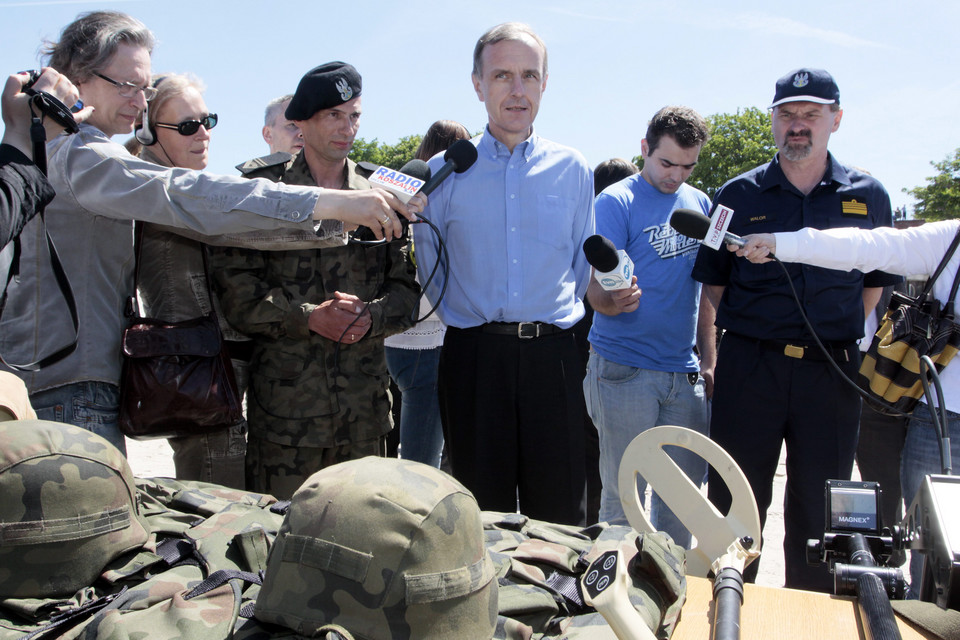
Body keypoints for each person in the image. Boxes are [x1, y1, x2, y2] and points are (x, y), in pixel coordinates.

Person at [0, 12, 419, 455]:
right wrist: (328, 204)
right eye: (127, 85)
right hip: (70, 391)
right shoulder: (80, 155)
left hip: (77, 382)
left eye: (143, 87)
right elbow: (188, 194)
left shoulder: (64, 151)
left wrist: (337, 218)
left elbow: (229, 227)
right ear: (74, 79)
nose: (139, 100)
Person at [691, 68, 900, 591]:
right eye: (787, 114)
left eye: (810, 114)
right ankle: (729, 612)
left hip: (830, 371)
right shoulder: (738, 193)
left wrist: (836, 332)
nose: (797, 125)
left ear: (836, 119)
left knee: (820, 505)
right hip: (751, 367)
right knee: (735, 500)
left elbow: (875, 285)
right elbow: (713, 286)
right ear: (773, 121)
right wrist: (719, 356)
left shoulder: (868, 195)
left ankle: (809, 616)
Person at [211, 62, 419, 499]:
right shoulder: (264, 193)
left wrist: (371, 315)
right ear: (300, 123)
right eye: (333, 115)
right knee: (280, 545)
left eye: (354, 116)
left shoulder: (381, 194)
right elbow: (237, 295)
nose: (347, 128)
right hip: (287, 422)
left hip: (364, 417)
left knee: (364, 543)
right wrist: (308, 318)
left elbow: (406, 293)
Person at [413, 23, 595, 525]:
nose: (517, 90)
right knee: (478, 516)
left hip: (554, 360)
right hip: (474, 360)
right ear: (478, 84)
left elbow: (579, 269)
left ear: (544, 83)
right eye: (502, 76)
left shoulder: (574, 168)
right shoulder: (444, 172)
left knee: (560, 516)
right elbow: (430, 260)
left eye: (529, 76)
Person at [731, 219, 960, 597]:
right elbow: (864, 247)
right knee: (932, 562)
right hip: (940, 420)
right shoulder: (950, 237)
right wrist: (777, 241)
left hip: (934, 420)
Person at [584, 106, 715, 546]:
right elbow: (591, 291)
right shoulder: (614, 201)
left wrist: (710, 359)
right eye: (666, 163)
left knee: (683, 503)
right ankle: (614, 609)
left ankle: (674, 598)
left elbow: (707, 292)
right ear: (644, 149)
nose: (676, 176)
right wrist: (614, 302)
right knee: (624, 501)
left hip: (685, 373)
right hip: (624, 371)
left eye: (688, 165)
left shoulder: (701, 204)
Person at [121, 73, 245, 488]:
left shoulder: (170, 186)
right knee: (219, 510)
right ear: (147, 131)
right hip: (196, 381)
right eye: (188, 126)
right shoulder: (158, 190)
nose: (204, 134)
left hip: (208, 374)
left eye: (207, 120)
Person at [384, 119, 470, 468]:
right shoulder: (436, 204)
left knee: (410, 455)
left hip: (394, 340)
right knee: (420, 465)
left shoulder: (399, 196)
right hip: (428, 343)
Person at [577, 157, 639, 524]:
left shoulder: (579, 238)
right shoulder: (621, 251)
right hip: (603, 358)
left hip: (576, 353)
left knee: (588, 459)